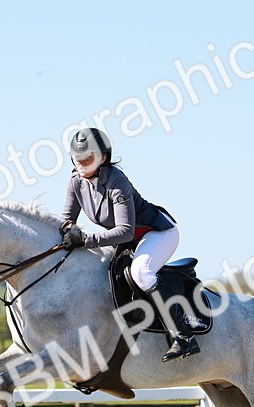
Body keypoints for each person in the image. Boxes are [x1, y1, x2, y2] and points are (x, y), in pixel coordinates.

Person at [59, 127, 198, 362]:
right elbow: (66, 220)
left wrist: (85, 240)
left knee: (141, 272)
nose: (81, 163)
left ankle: (184, 336)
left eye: (88, 158)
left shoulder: (117, 181)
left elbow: (125, 231)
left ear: (103, 157)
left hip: (156, 232)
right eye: (77, 159)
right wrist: (67, 233)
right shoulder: (76, 182)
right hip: (130, 239)